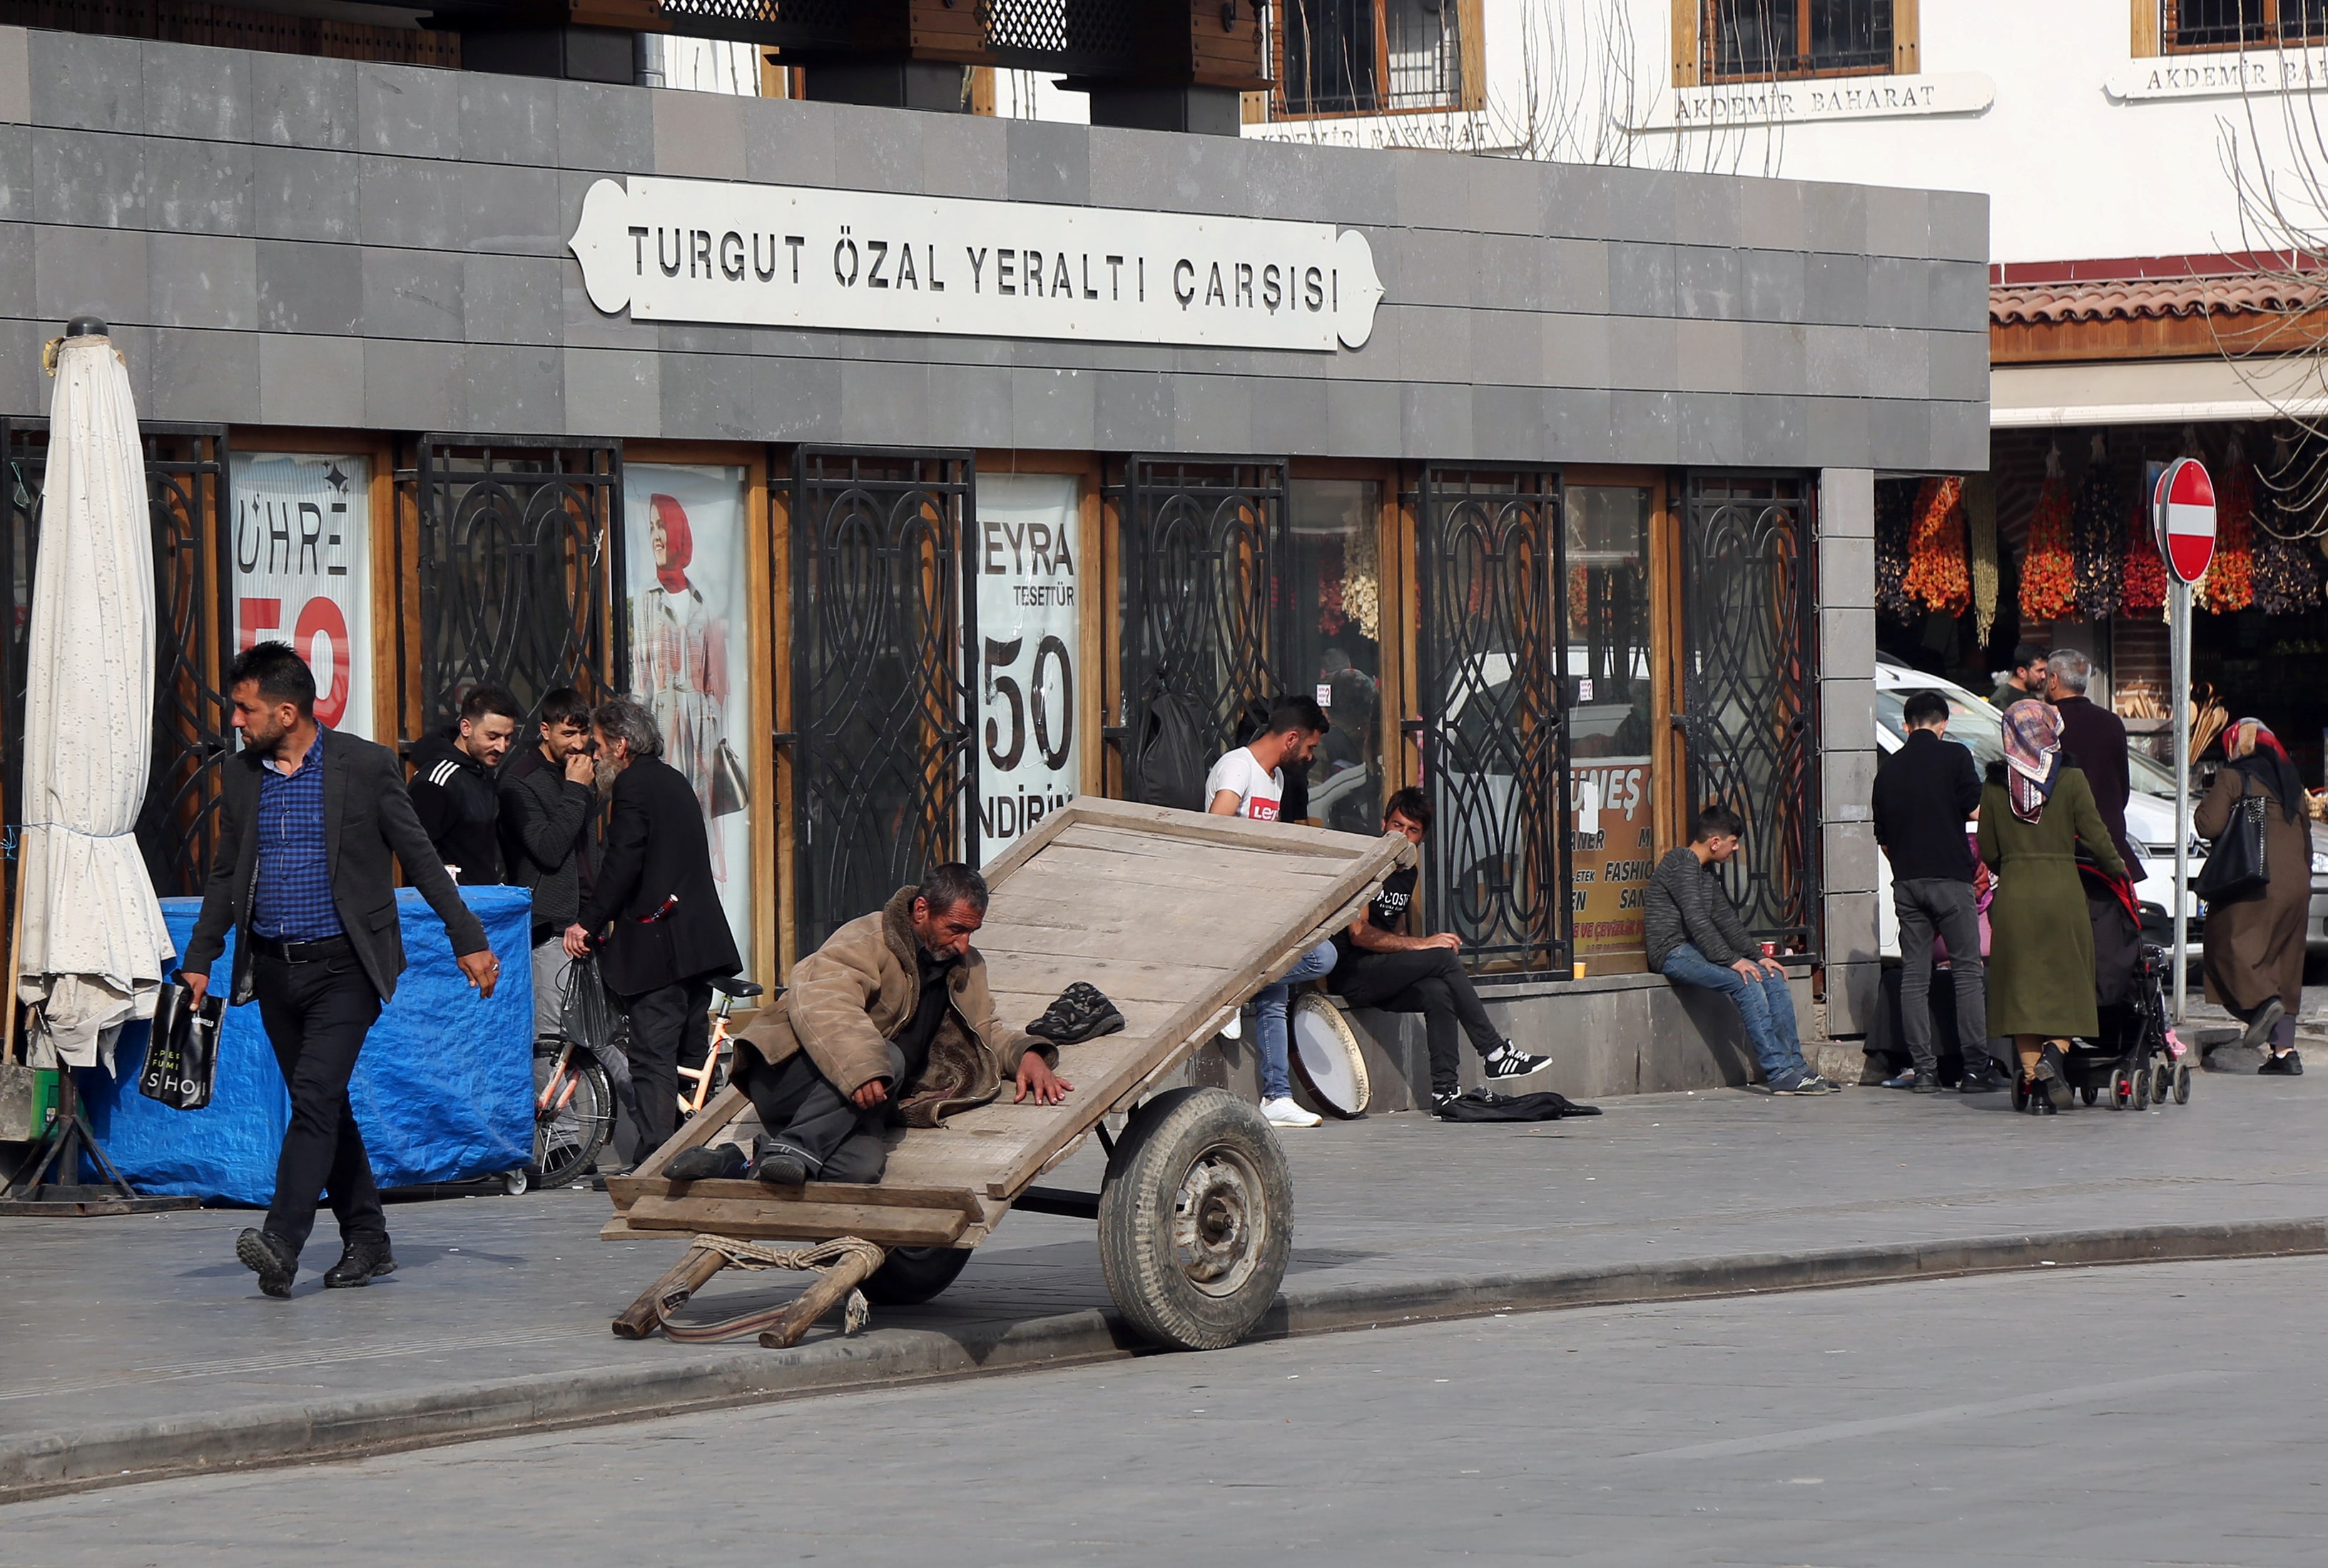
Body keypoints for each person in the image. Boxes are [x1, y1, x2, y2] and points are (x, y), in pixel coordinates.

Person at [181, 643, 499, 1298]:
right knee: (321, 1104)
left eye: (244, 709)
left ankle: (281, 1241)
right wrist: (200, 957)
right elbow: (225, 872)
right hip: (274, 969)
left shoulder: (366, 765)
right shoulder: (242, 775)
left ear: (287, 712)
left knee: (315, 1097)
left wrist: (467, 936)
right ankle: (369, 1239)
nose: (235, 721)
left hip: (346, 968)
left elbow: (419, 855)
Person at [671, 865, 1069, 1186]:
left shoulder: (966, 965)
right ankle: (794, 1145)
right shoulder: (867, 938)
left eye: (971, 932)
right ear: (921, 910)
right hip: (790, 1074)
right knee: (888, 1055)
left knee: (859, 1169)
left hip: (860, 1098)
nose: (963, 943)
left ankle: (739, 1164)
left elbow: (984, 1028)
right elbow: (827, 1001)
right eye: (956, 929)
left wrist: (1027, 1055)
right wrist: (863, 1067)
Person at [564, 697, 741, 1156]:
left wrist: (588, 922)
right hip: (693, 946)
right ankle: (685, 1152)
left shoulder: (634, 784)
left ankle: (657, 1159)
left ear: (621, 745)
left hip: (661, 947)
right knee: (685, 1054)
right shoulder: (671, 779)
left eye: (598, 744)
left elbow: (623, 860)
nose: (594, 755)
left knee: (652, 1056)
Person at [1327, 788, 1553, 1112]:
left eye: (1412, 830)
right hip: (1352, 973)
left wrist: (1413, 957)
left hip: (1381, 972)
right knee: (1443, 956)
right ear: (1383, 824)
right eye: (1397, 825)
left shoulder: (1408, 871)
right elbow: (1359, 934)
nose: (1402, 835)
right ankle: (1494, 1052)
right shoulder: (1366, 865)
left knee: (1437, 990)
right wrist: (1423, 945)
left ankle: (1445, 1092)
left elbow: (1395, 927)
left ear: (1421, 839)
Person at [1978, 700, 2126, 1112]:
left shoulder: (1995, 786)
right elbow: (2096, 836)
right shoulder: (2071, 779)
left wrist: (2013, 866)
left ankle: (2038, 1092)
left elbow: (1988, 848)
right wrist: (2117, 870)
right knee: (2069, 985)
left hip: (2015, 897)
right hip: (2063, 894)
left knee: (2021, 994)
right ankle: (2054, 1055)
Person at [1206, 693, 1336, 1129]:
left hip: (1260, 909)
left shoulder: (1275, 779)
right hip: (1229, 909)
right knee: (1317, 959)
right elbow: (1214, 829)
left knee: (1275, 988)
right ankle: (1237, 987)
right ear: (1292, 738)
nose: (1311, 756)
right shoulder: (1237, 767)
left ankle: (1277, 1095)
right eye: (1310, 747)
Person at [1646, 805, 1834, 1095]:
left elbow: (1725, 920)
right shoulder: (1680, 863)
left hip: (1693, 948)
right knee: (1744, 981)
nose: (1736, 849)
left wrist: (1759, 957)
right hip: (1672, 952)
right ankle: (1779, 1073)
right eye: (1733, 842)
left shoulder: (1704, 871)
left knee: (1771, 975)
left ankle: (1796, 1067)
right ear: (1715, 842)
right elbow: (1697, 919)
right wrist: (1733, 961)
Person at [1870, 691, 2001, 1094]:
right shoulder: (1956, 756)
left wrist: (1907, 865)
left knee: (1914, 976)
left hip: (1908, 883)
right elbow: (1976, 811)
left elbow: (1884, 839)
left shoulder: (1887, 771)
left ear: (1906, 725)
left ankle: (1924, 1070)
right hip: (1951, 879)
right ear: (1944, 724)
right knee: (1967, 972)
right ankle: (1975, 1068)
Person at [2196, 718, 2312, 1074]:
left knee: (2225, 945)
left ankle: (2262, 1005)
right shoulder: (2292, 785)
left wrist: (2206, 801)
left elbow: (2209, 824)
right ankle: (2285, 1054)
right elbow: (2307, 840)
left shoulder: (2234, 777)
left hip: (2255, 879)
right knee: (2284, 964)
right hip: (2298, 884)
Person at [498, 687, 596, 1044]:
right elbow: (548, 851)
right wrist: (576, 790)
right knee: (552, 1035)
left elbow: (588, 848)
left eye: (583, 733)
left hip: (587, 923)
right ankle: (549, 1089)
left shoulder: (579, 771)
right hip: (551, 928)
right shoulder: (520, 781)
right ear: (545, 730)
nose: (577, 744)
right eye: (568, 733)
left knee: (596, 1032)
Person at [407, 684, 519, 885]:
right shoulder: (436, 782)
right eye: (492, 737)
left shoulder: (482, 773)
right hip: (450, 901)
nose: (501, 747)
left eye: (508, 738)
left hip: (485, 898)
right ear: (466, 728)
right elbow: (416, 853)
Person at [2044, 648, 2140, 876]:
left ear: (2054, 680)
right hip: (2108, 837)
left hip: (2062, 842)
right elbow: (2122, 787)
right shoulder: (2111, 722)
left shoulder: (2046, 722)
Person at [1989, 643, 2050, 712]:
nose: (2044, 676)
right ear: (2021, 672)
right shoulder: (2000, 701)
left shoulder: (2030, 695)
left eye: (2045, 671)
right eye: (2040, 671)